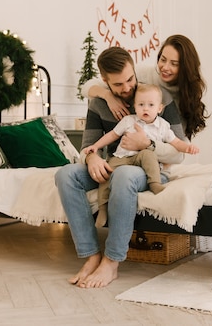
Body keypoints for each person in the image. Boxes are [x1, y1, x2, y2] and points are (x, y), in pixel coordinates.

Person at [55, 47, 186, 289]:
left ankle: (112, 261)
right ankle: (91, 254)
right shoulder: (99, 102)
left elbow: (181, 152)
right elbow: (87, 147)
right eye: (118, 85)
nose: (127, 88)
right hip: (113, 164)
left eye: (130, 79)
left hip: (149, 168)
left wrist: (148, 143)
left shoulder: (157, 97)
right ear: (105, 81)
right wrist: (92, 158)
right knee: (65, 174)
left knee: (124, 176)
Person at [81, 83, 199, 227]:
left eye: (150, 105)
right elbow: (112, 135)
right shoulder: (128, 120)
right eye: (141, 104)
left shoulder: (163, 126)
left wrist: (188, 148)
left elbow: (176, 142)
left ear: (159, 108)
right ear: (135, 106)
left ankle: (154, 183)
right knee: (106, 174)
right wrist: (96, 146)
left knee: (149, 154)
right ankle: (102, 208)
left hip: (141, 159)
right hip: (122, 157)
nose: (145, 108)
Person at [81, 34, 208, 140]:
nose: (165, 67)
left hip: (161, 151)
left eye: (174, 64)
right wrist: (108, 95)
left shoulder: (182, 96)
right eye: (163, 59)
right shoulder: (142, 74)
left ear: (186, 67)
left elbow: (179, 143)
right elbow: (87, 86)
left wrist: (152, 148)